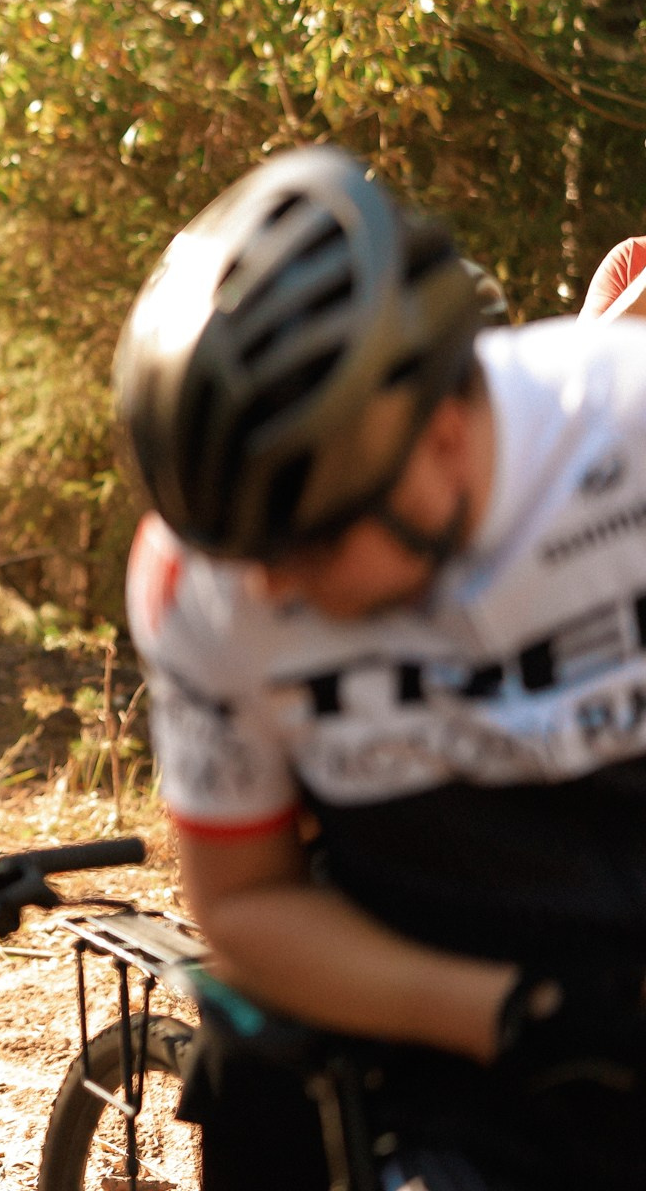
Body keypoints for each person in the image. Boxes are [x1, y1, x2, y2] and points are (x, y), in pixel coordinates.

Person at [115, 145, 646, 1188]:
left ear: (444, 434)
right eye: (237, 549)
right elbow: (245, 902)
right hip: (419, 982)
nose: (269, 590)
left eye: (309, 541)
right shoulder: (195, 579)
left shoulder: (622, 434)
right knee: (250, 1070)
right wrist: (511, 1015)